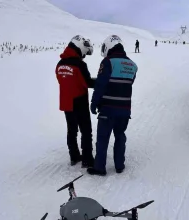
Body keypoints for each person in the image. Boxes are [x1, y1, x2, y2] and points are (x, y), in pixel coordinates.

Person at [87, 35, 138, 176]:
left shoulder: (108, 62)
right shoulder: (133, 65)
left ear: (109, 46)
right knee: (120, 136)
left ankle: (99, 167)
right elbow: (128, 84)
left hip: (108, 109)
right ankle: (119, 165)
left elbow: (100, 85)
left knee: (103, 139)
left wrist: (94, 102)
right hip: (125, 110)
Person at [55, 35, 95, 168]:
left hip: (66, 102)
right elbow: (88, 82)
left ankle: (74, 156)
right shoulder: (80, 65)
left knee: (71, 130)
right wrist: (101, 81)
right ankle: (87, 159)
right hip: (80, 100)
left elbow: (61, 81)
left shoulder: (59, 64)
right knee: (86, 130)